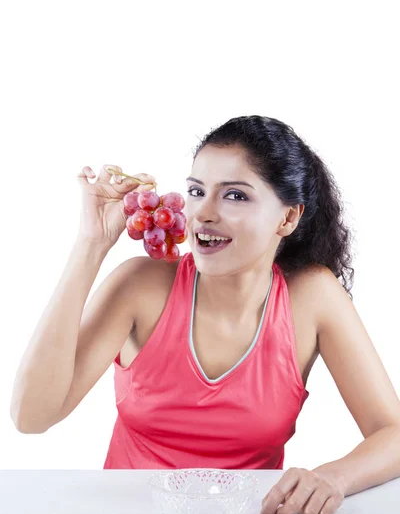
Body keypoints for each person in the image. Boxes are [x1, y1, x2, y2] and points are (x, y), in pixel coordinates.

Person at [11, 115, 355, 470]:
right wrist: (91, 244)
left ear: (288, 218)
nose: (202, 214)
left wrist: (333, 478)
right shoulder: (142, 287)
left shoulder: (313, 298)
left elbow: (392, 434)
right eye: (196, 191)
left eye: (235, 195)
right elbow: (31, 418)